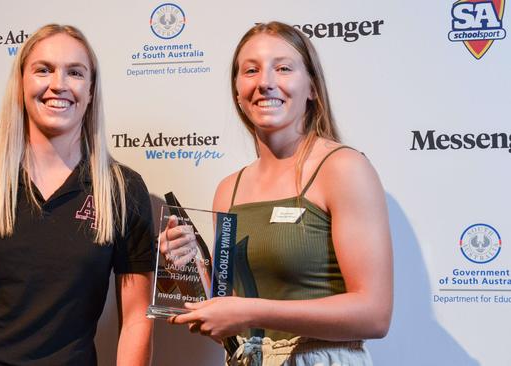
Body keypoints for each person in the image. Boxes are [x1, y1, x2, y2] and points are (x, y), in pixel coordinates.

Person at [0, 24, 154, 366]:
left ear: (91, 90)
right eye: (43, 70)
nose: (59, 84)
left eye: (75, 72)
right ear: (21, 83)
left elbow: (137, 320)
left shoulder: (122, 189)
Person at [165, 21, 393, 365]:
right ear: (238, 92)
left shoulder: (343, 168)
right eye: (251, 70)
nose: (265, 82)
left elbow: (374, 315)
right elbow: (225, 319)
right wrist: (184, 269)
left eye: (283, 68)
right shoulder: (229, 189)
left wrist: (252, 312)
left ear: (312, 88)